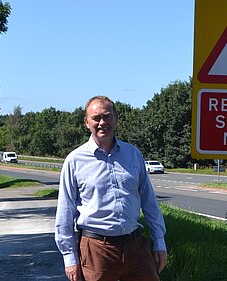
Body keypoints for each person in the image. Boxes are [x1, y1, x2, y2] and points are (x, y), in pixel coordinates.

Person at [54, 96, 167, 281]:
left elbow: (149, 201)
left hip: (135, 247)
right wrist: (69, 257)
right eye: (96, 118)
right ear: (86, 122)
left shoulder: (133, 154)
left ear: (116, 119)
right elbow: (65, 212)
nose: (102, 123)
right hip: (96, 249)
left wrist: (159, 242)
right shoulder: (75, 160)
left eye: (107, 116)